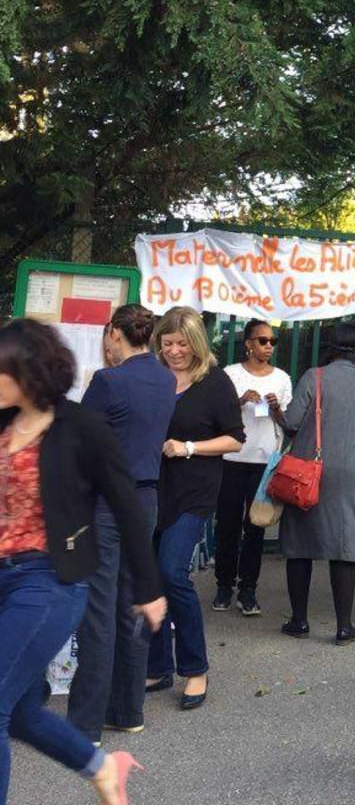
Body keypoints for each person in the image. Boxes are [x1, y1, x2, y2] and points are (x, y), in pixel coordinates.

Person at [0, 318, 167, 804]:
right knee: (24, 709)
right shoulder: (4, 420)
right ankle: (102, 768)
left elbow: (125, 505)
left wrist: (148, 588)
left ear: (28, 371)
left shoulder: (81, 426)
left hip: (49, 580)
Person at [67, 305, 176, 744]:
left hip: (107, 503)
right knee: (132, 602)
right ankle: (128, 710)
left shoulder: (108, 381)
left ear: (115, 333)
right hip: (146, 497)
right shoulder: (165, 378)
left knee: (98, 610)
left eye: (107, 336)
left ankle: (85, 723)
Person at [147, 306, 244, 711]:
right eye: (166, 343)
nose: (173, 351)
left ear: (197, 344)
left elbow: (235, 440)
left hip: (195, 491)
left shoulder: (215, 382)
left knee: (172, 573)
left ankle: (195, 668)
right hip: (152, 490)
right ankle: (157, 664)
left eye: (181, 343)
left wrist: (188, 447)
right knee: (149, 578)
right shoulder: (152, 378)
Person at [279, 322, 355, 645]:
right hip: (350, 471)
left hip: (309, 469)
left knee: (300, 544)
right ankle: (344, 626)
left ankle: (299, 620)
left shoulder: (314, 376)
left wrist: (276, 413)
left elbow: (292, 422)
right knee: (344, 546)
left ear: (331, 346)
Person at [212, 319, 291, 617]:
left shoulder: (282, 378)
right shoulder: (230, 374)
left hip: (263, 461)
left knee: (256, 526)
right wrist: (240, 400)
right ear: (248, 343)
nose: (268, 346)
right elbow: (215, 416)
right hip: (232, 459)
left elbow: (289, 424)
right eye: (262, 340)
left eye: (273, 341)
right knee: (228, 525)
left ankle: (248, 589)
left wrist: (276, 409)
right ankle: (223, 585)